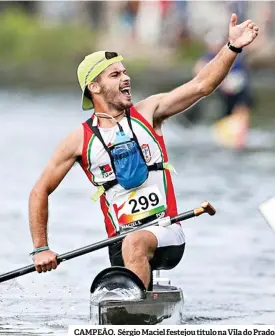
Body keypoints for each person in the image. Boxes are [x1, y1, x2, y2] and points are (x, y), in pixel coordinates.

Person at [29, 14, 259, 289]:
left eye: (125, 72)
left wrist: (232, 46)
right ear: (94, 87)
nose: (126, 78)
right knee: (127, 250)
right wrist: (41, 248)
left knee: (136, 243)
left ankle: (136, 311)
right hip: (118, 241)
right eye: (115, 75)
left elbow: (202, 85)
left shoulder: (149, 112)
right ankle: (135, 300)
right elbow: (39, 191)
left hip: (168, 231)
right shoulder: (79, 140)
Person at [194, 29, 253, 150]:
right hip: (224, 94)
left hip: (240, 91)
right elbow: (198, 69)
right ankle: (230, 136)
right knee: (225, 114)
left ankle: (240, 139)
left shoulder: (234, 53)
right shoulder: (209, 57)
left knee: (242, 110)